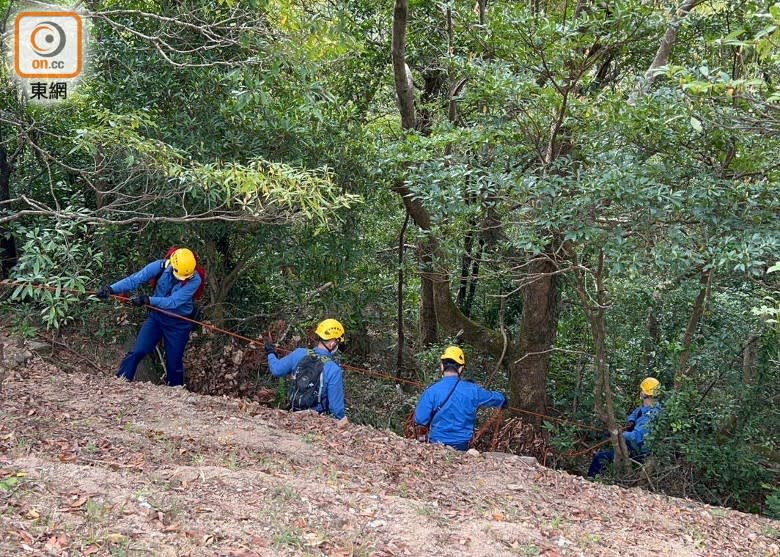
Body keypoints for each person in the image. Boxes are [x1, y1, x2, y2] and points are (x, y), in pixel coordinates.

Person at [96, 248, 201, 387]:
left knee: (174, 363)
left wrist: (147, 300)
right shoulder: (160, 266)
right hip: (157, 318)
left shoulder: (195, 280)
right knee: (138, 350)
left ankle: (176, 395)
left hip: (179, 323)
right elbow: (135, 279)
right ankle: (120, 383)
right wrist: (110, 289)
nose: (182, 278)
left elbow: (173, 302)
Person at [414, 346, 507, 451]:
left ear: (442, 366)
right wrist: (503, 399)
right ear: (461, 368)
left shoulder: (431, 391)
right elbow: (497, 399)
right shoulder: (473, 390)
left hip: (436, 444)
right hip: (462, 445)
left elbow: (420, 419)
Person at [265, 318, 347, 420]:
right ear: (333, 343)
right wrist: (343, 420)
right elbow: (336, 408)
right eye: (338, 343)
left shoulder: (299, 353)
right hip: (316, 419)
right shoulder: (333, 369)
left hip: (292, 414)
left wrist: (271, 353)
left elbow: (276, 370)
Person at [588, 377, 663, 478]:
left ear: (645, 394)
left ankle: (590, 481)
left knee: (600, 457)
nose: (640, 392)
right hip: (634, 445)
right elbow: (636, 413)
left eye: (642, 390)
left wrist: (618, 434)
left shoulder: (650, 416)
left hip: (638, 451)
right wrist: (631, 421)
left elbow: (635, 436)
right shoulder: (651, 407)